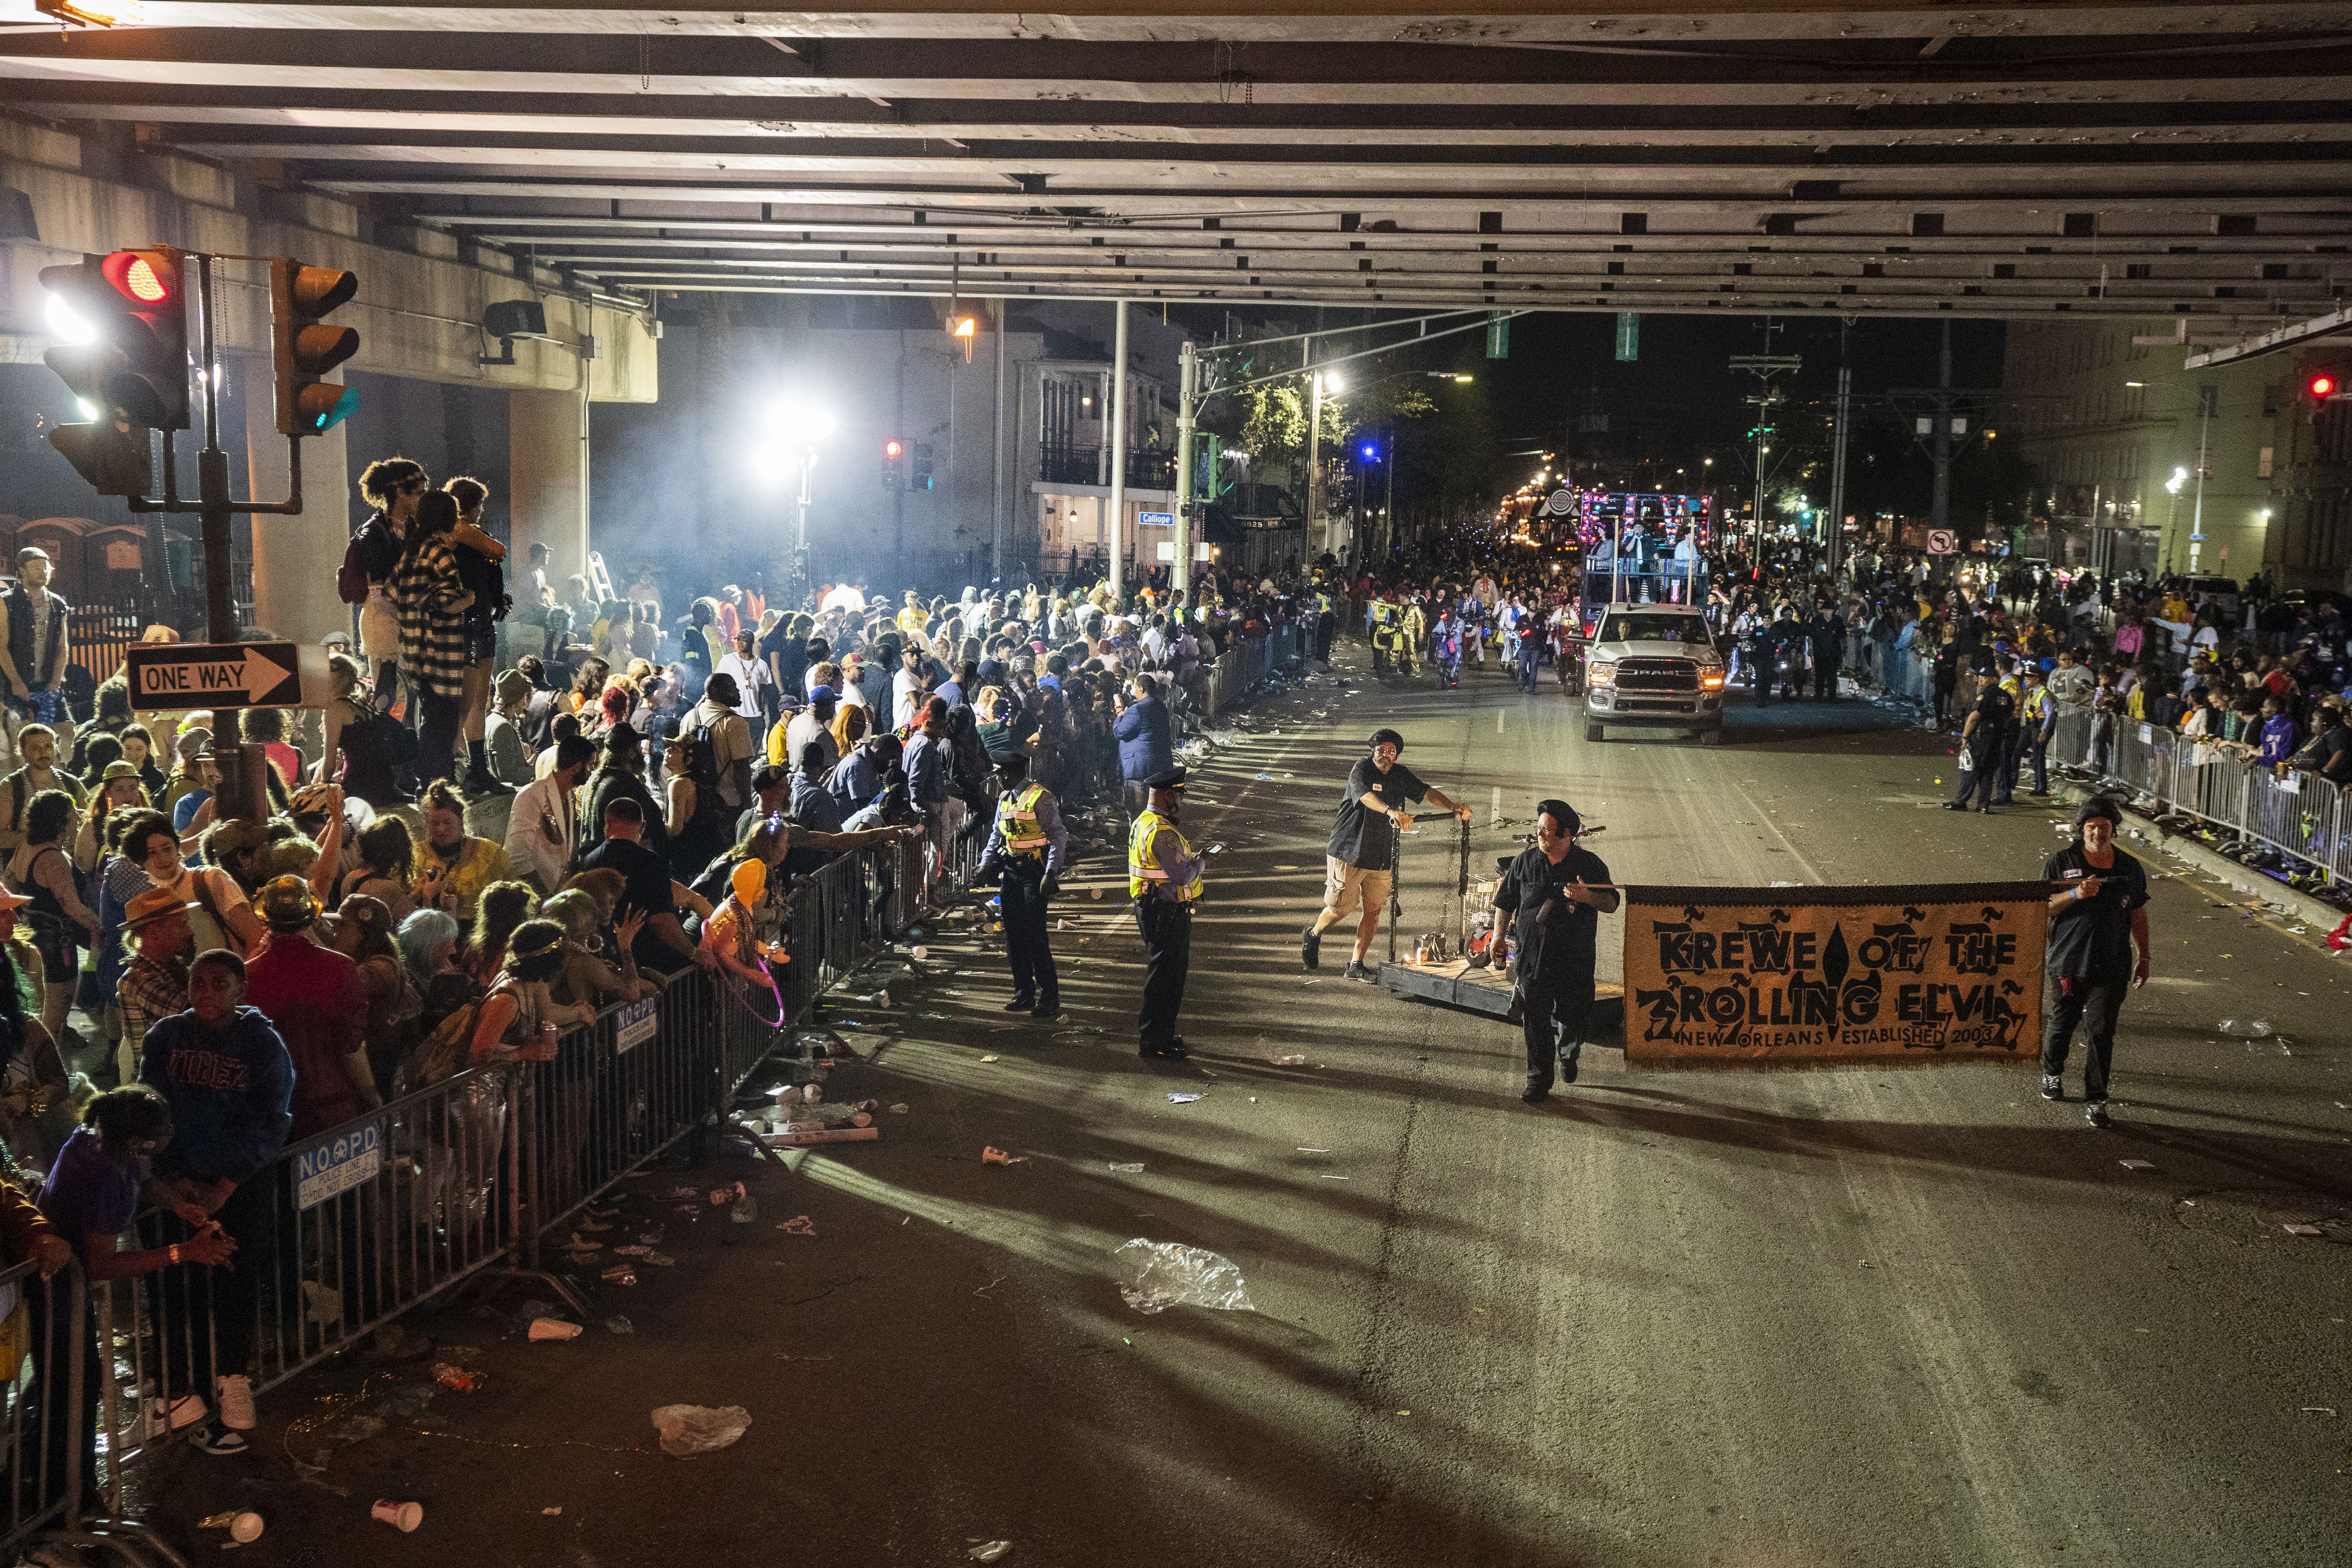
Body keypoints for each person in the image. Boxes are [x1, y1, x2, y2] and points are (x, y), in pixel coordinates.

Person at [32, 1086, 235, 1501]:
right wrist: (184, 1252)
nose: (166, 1137)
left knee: (77, 1387)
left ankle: (73, 1490)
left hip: (69, 1290)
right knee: (70, 1396)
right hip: (55, 1293)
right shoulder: (101, 1172)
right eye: (160, 1133)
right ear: (136, 1139)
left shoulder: (101, 1142)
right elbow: (101, 1264)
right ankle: (63, 1498)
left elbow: (143, 1180)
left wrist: (181, 1206)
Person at [139, 948, 294, 1456]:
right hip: (177, 1183)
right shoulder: (165, 1037)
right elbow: (150, 1108)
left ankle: (233, 1376)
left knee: (235, 1276)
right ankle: (179, 1388)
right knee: (172, 1283)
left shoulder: (262, 1044)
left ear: (240, 990)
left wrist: (224, 1186)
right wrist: (171, 1177)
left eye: (218, 984)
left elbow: (272, 1121)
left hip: (239, 1184)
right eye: (197, 984)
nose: (205, 994)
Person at [1303, 729, 1471, 982]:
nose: (1386, 755)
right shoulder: (1361, 770)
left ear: (1396, 755)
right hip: (1350, 851)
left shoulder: (1400, 774)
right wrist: (1390, 811)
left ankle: (1355, 965)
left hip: (1382, 854)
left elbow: (1426, 792)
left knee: (1373, 910)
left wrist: (1453, 807)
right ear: (1374, 751)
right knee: (1341, 909)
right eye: (1382, 750)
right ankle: (1314, 934)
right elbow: (1365, 797)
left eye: (1392, 751)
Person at [1491, 799, 1619, 1103]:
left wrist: (1588, 895)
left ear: (1566, 834)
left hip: (1574, 960)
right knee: (1535, 1021)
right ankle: (1538, 1079)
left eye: (1546, 831)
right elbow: (1506, 901)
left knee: (1575, 1017)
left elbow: (1612, 903)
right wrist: (1498, 935)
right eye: (1538, 829)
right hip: (1533, 958)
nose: (1540, 835)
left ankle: (1569, 1053)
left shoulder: (1590, 865)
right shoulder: (1525, 862)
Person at [2041, 797, 2152, 1128]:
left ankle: (2097, 1098)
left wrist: (2144, 956)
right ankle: (2052, 1072)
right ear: (2081, 830)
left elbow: (2138, 912)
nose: (2098, 833)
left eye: (2105, 828)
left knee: (2102, 1032)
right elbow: (2044, 906)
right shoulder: (2061, 862)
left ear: (2114, 831)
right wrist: (2075, 894)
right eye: (2092, 827)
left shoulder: (2130, 868)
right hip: (2069, 961)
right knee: (2063, 1023)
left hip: (2112, 963)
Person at [243, 876, 379, 1139]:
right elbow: (351, 1044)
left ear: (265, 918)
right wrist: (372, 1096)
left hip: (270, 1111)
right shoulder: (341, 968)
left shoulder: (247, 975)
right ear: (313, 917)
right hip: (332, 1104)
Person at [975, 752, 1066, 1019]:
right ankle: (1023, 992)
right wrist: (985, 863)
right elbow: (997, 834)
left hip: (1034, 873)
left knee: (1035, 935)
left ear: (1011, 772)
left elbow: (1058, 835)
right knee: (1013, 934)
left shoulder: (1041, 798)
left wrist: (1051, 872)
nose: (997, 778)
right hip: (1011, 873)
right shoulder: (1005, 798)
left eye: (1000, 773)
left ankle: (1049, 996)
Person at [581, 797, 713, 976]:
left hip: (606, 963)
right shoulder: (651, 863)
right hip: (649, 964)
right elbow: (661, 922)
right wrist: (694, 953)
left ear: (608, 823)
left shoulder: (588, 863)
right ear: (642, 827)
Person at [7, 789, 97, 1046]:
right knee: (55, 1014)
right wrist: (104, 928)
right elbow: (72, 907)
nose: (77, 820)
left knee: (40, 1009)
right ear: (60, 823)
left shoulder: (26, 849)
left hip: (31, 936)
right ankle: (46, 1073)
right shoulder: (53, 859)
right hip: (56, 945)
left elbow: (9, 886)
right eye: (72, 816)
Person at [1127, 764, 1203, 1060]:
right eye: (1178, 796)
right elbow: (1182, 874)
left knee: (1168, 976)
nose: (1180, 803)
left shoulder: (1143, 822)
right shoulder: (1161, 831)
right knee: (1165, 979)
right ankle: (1154, 1040)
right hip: (1165, 912)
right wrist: (1203, 862)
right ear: (1167, 795)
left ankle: (1163, 1034)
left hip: (1156, 908)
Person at [443, 476, 509, 793]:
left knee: (479, 700)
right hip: (466, 621)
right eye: (480, 505)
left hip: (481, 617)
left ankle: (477, 770)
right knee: (469, 701)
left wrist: (499, 598)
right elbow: (497, 550)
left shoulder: (466, 533)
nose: (482, 510)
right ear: (470, 505)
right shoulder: (455, 531)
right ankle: (465, 767)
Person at [352, 458, 426, 715]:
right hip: (383, 617)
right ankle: (383, 748)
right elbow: (378, 594)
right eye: (418, 493)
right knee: (387, 694)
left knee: (414, 697)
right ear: (398, 492)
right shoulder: (374, 533)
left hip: (408, 617)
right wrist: (410, 616)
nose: (422, 499)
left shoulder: (413, 528)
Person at [410, 779, 514, 927]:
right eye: (435, 823)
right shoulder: (416, 856)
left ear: (460, 820)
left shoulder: (489, 853)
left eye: (447, 823)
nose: (441, 829)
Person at [504, 733, 591, 895]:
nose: (591, 771)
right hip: (534, 896)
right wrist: (543, 894)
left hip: (559, 891)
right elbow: (516, 854)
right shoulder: (531, 795)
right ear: (578, 766)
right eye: (589, 765)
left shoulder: (569, 795)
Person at [0, 547, 74, 732]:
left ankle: (61, 763)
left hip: (48, 682)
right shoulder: (6, 602)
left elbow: (62, 647)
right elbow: (1, 647)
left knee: (66, 731)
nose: (43, 572)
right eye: (36, 568)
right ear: (21, 571)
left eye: (45, 567)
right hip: (14, 683)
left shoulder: (58, 604)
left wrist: (55, 682)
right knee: (23, 734)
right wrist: (16, 682)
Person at [1943, 672, 2012, 813]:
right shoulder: (2006, 696)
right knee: (1988, 772)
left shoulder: (1985, 696)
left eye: (1984, 678)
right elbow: (2009, 717)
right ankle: (1983, 806)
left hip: (1982, 738)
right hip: (1997, 739)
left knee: (1970, 769)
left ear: (1993, 679)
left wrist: (1965, 736)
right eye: (1980, 678)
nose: (1980, 681)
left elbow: (1975, 717)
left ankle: (1961, 802)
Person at [1112, 675, 1173, 815]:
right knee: (1156, 813)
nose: (1134, 691)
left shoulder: (1137, 710)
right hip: (1160, 767)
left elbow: (1120, 732)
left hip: (1139, 770)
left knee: (1138, 815)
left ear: (1141, 688)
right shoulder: (1161, 707)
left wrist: (1120, 716)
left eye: (1135, 687)